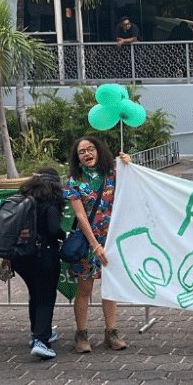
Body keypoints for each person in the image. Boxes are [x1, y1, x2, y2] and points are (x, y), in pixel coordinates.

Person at [66, 136, 131, 353]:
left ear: (98, 150)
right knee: (85, 287)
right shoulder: (74, 181)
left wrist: (128, 163)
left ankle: (110, 332)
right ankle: (81, 334)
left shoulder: (113, 175)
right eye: (81, 152)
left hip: (112, 240)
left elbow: (133, 185)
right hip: (88, 242)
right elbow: (81, 216)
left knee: (110, 287)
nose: (86, 154)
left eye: (90, 149)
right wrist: (95, 244)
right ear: (77, 158)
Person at [12, 167, 68, 360]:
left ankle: (36, 332)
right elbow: (54, 230)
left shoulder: (23, 199)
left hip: (20, 256)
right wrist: (65, 235)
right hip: (44, 254)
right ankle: (41, 341)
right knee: (45, 298)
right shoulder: (50, 203)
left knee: (34, 295)